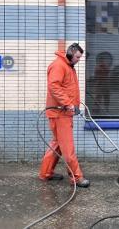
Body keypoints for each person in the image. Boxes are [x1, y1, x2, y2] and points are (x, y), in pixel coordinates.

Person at [39, 43, 90, 188]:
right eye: (78, 57)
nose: (79, 59)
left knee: (57, 144)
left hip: (63, 112)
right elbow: (54, 86)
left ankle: (46, 173)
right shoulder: (59, 66)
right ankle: (77, 177)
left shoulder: (67, 66)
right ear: (70, 53)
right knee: (68, 147)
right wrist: (68, 103)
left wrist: (75, 105)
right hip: (60, 113)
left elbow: (68, 88)